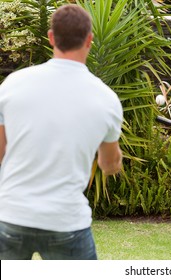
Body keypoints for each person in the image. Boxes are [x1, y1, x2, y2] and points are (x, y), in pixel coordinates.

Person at [0, 4, 123, 260]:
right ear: (89, 40)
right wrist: (114, 162)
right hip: (66, 220)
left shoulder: (13, 84)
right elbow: (108, 164)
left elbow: (1, 151)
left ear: (51, 37)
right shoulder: (106, 99)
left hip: (10, 215)